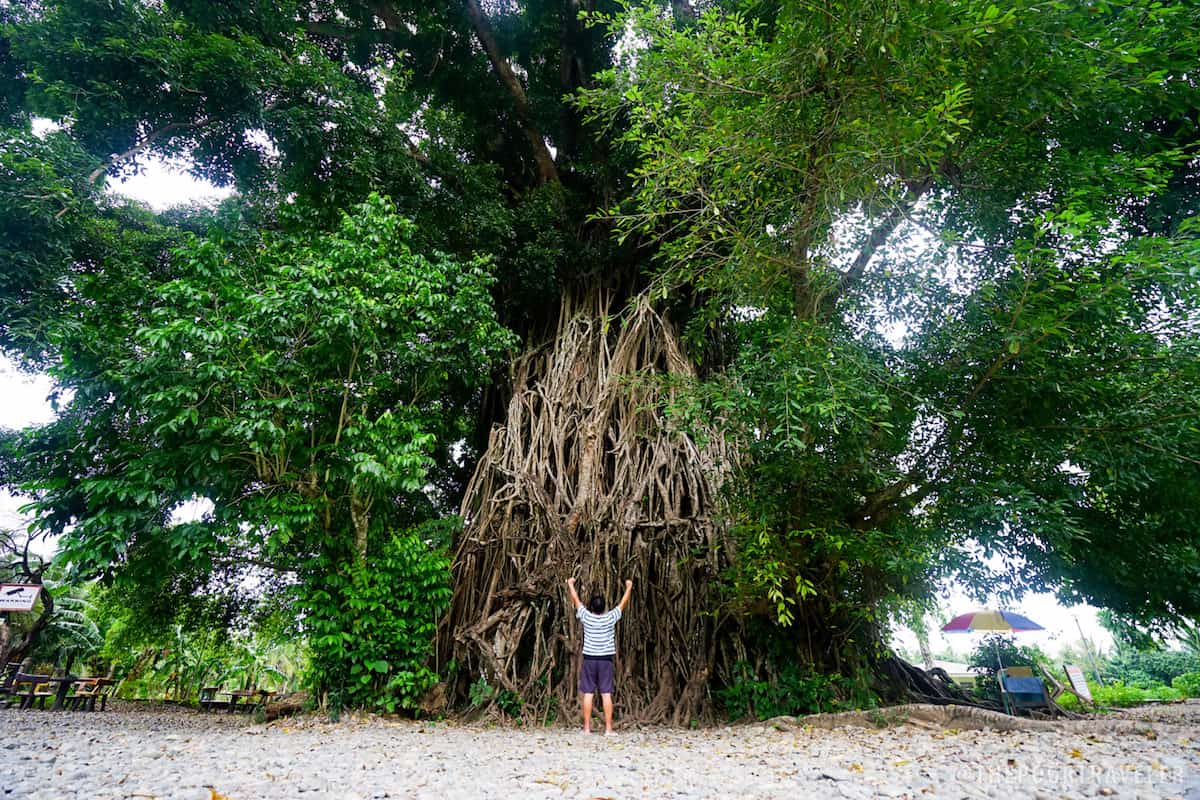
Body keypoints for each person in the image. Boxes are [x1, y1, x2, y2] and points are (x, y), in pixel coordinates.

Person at [566, 576, 632, 735]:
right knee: (606, 693)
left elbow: (575, 600)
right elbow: (623, 604)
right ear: (604, 608)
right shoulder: (610, 618)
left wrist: (570, 584)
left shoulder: (586, 617)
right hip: (605, 661)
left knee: (588, 693)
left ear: (591, 608)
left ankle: (587, 729)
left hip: (589, 659)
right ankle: (608, 729)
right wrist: (628, 587)